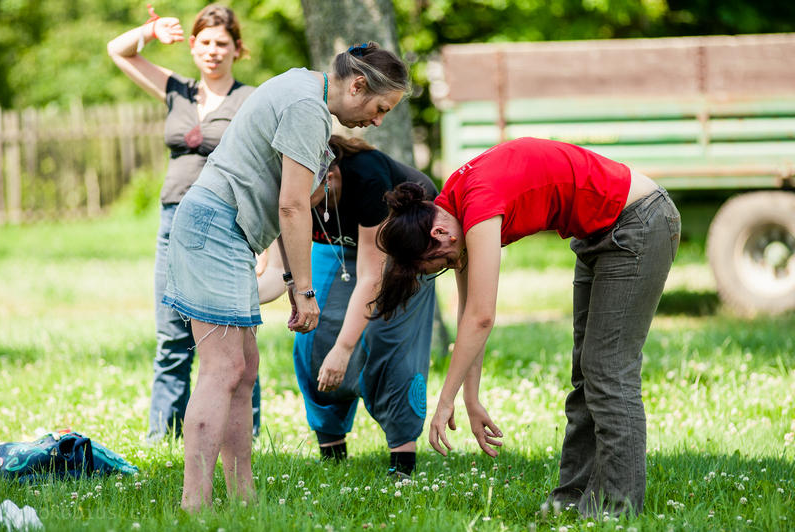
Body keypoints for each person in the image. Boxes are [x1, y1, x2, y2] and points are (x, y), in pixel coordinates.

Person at [374, 137, 680, 517]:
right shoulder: (453, 204)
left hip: (637, 224)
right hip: (601, 234)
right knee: (588, 373)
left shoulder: (478, 204)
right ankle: (570, 501)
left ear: (439, 235)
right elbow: (469, 313)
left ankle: (617, 511)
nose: (452, 267)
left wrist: (444, 401)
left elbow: (482, 315)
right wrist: (470, 399)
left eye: (440, 264)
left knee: (607, 371)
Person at [161, 42, 409, 511]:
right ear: (357, 85)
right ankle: (195, 504)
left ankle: (243, 496)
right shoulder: (306, 108)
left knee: (244, 368)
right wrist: (304, 289)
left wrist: (294, 280)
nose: (377, 122)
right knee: (223, 368)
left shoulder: (301, 86)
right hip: (215, 227)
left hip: (229, 232)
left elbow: (287, 197)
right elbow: (292, 205)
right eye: (380, 108)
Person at [107, 4, 263, 443]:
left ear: (237, 49)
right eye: (206, 42)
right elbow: (117, 51)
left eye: (223, 44)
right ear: (193, 46)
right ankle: (163, 436)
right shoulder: (178, 90)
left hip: (228, 223)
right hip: (174, 221)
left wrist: (265, 246)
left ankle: (242, 433)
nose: (213, 51)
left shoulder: (249, 100)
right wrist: (152, 31)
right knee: (171, 333)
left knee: (233, 333)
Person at [257, 135, 437, 478]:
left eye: (301, 193)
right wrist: (235, 299)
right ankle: (333, 458)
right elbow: (282, 274)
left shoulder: (367, 178)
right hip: (343, 247)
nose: (293, 203)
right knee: (313, 339)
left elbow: (372, 277)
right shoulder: (288, 197)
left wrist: (344, 349)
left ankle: (402, 466)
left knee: (390, 344)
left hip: (405, 246)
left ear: (329, 176)